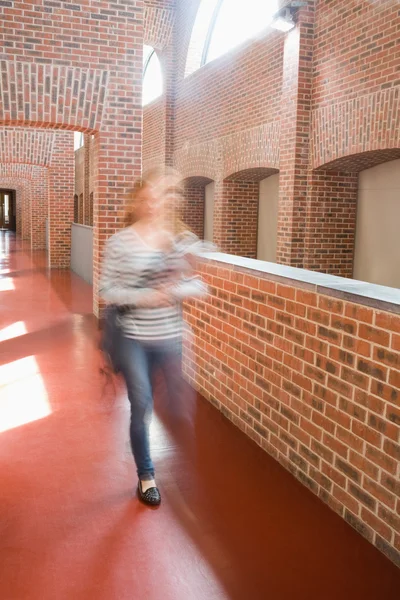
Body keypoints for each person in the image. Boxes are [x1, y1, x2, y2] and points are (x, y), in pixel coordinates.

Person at [99, 169, 208, 506]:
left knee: (179, 407)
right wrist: (143, 296)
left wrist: (176, 290)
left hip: (171, 336)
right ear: (135, 202)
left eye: (156, 198)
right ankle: (146, 476)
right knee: (141, 404)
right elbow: (106, 289)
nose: (151, 204)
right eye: (144, 199)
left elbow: (200, 285)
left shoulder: (177, 241)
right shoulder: (119, 242)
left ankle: (185, 470)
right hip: (134, 337)